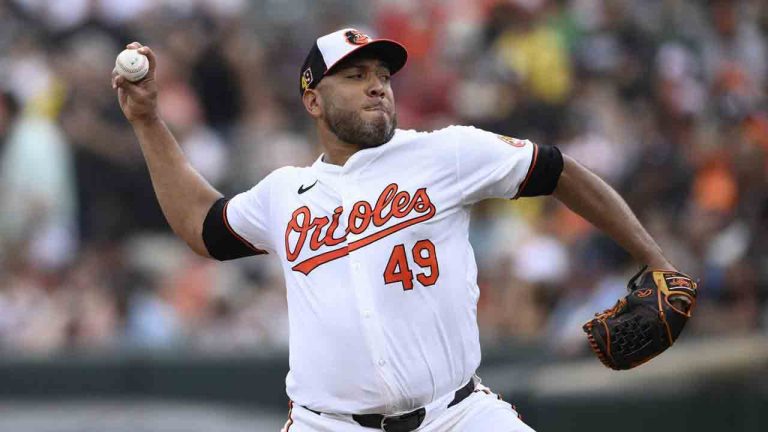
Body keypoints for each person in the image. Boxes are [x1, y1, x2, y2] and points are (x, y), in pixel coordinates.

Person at [112, 28, 681, 432]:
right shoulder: (284, 192)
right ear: (312, 99)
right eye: (355, 75)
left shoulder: (446, 153)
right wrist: (147, 120)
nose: (377, 85)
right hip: (327, 425)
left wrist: (655, 261)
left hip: (458, 415)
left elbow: (558, 170)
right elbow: (204, 227)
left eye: (382, 75)